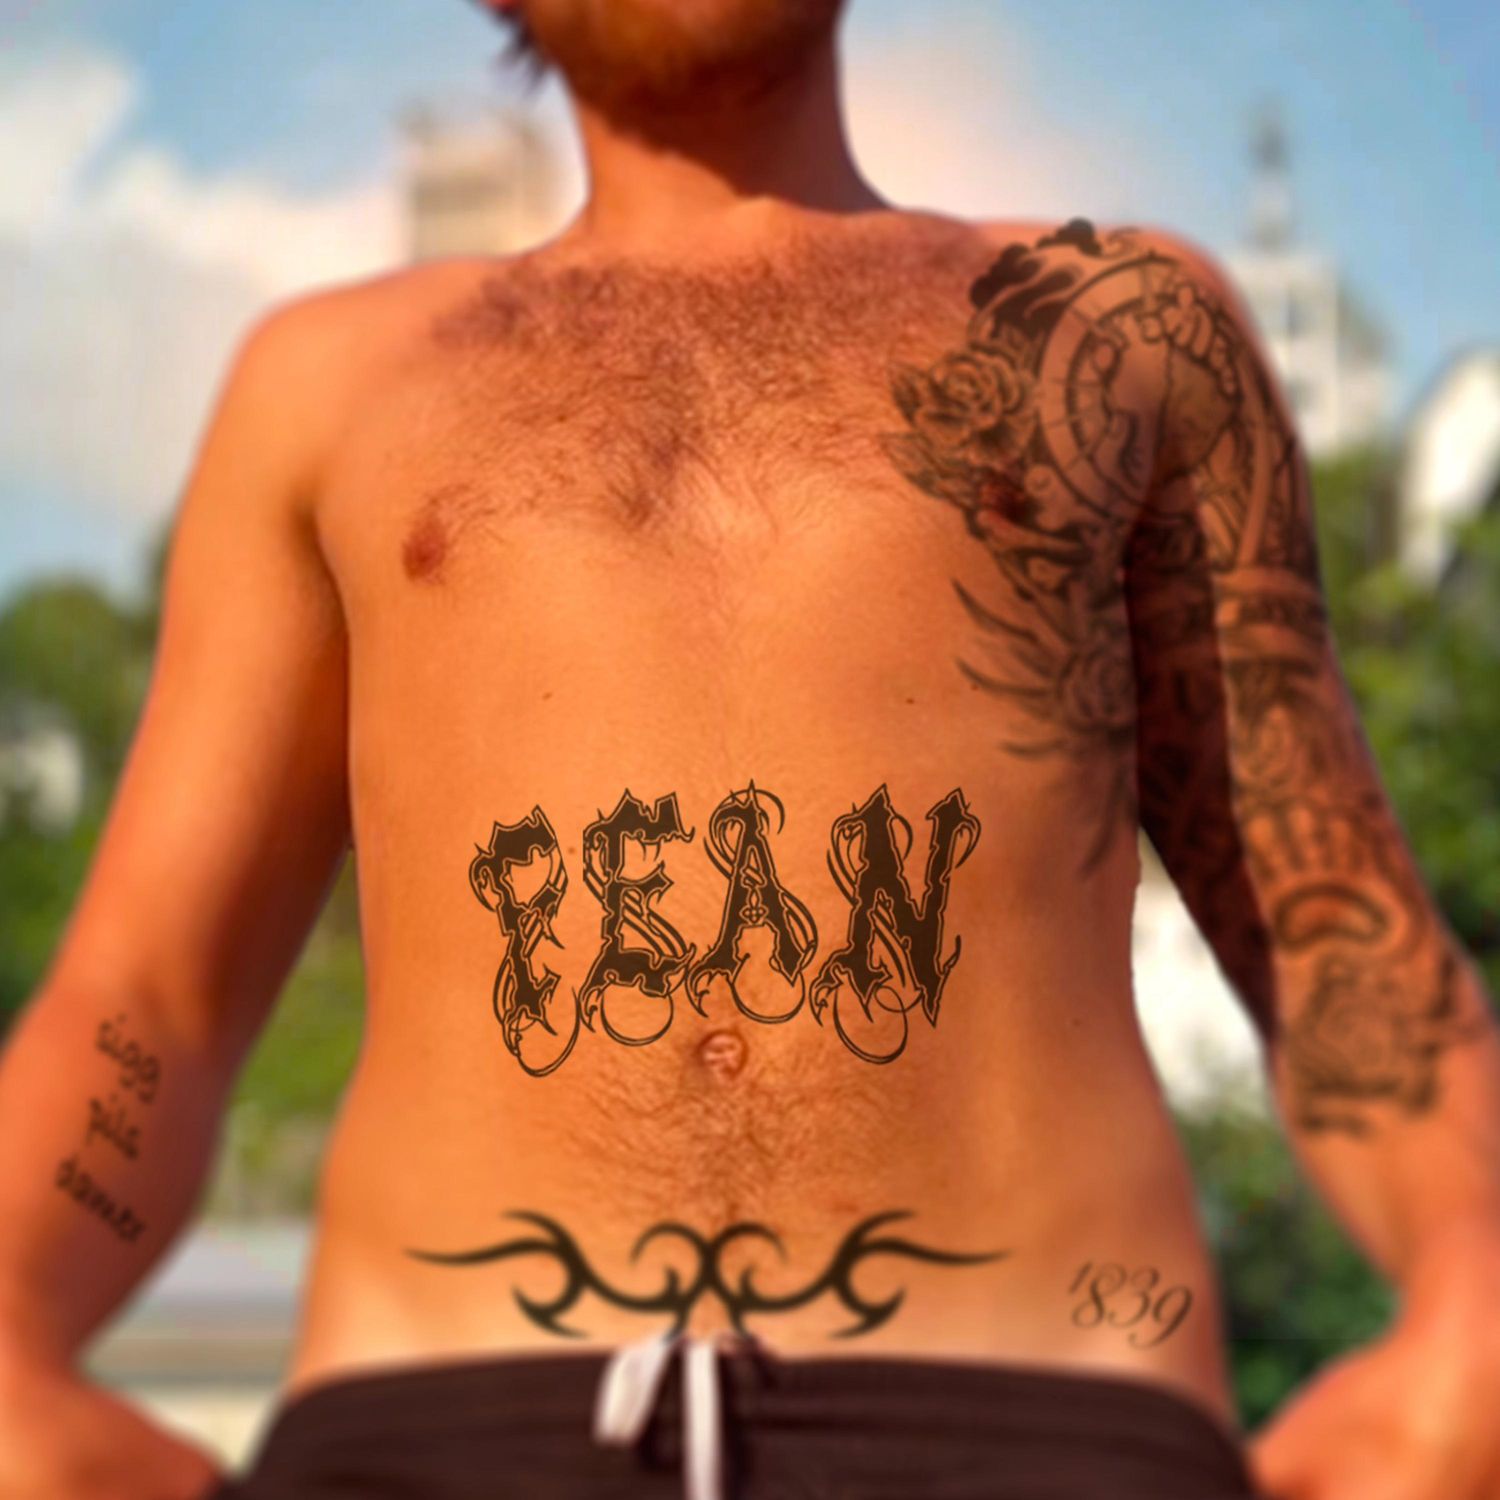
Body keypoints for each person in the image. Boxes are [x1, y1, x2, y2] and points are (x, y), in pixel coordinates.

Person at [2, 1, 1499, 1496]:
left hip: (1037, 1418)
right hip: (446, 1434)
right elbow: (153, 999)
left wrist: (1479, 1287)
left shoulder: (1119, 332)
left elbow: (1325, 923)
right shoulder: (328, 383)